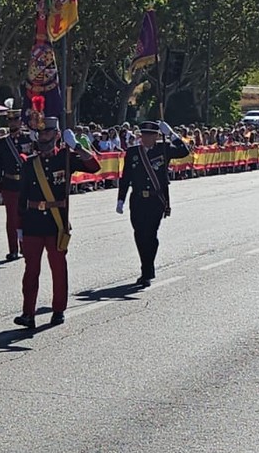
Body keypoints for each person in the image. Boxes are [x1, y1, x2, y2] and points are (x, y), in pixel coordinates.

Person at [13, 117, 102, 329]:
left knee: (58, 269)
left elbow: (94, 167)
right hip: (33, 222)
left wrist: (78, 147)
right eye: (41, 133)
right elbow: (21, 195)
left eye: (48, 133)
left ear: (57, 135)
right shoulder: (29, 162)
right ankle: (28, 313)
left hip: (56, 222)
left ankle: (59, 309)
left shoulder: (66, 158)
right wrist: (18, 226)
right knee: (30, 271)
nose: (44, 137)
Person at [117, 120, 191, 286]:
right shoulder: (133, 152)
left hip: (156, 199)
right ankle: (146, 266)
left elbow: (184, 151)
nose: (146, 138)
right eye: (144, 134)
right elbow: (126, 176)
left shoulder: (163, 149)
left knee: (150, 235)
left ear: (157, 136)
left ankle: (147, 270)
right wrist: (120, 198)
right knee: (139, 234)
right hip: (137, 199)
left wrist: (172, 134)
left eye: (150, 135)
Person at [0, 100, 30, 262]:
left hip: (26, 184)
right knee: (12, 219)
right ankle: (13, 249)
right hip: (9, 184)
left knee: (25, 216)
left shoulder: (29, 139)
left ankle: (25, 246)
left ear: (21, 121)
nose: (13, 122)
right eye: (10, 120)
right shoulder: (1, 142)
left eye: (15, 119)